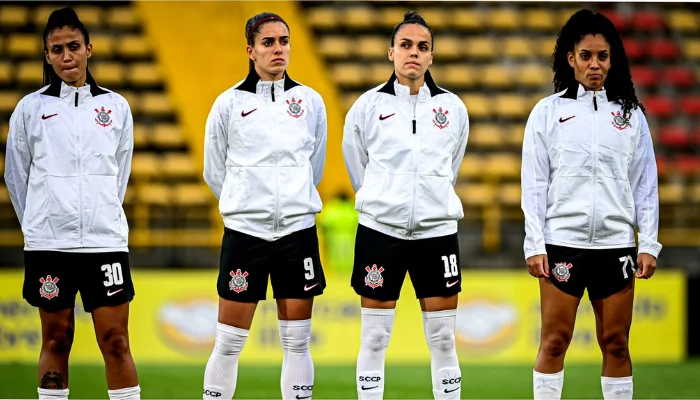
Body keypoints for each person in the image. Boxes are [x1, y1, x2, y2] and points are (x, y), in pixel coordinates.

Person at [521, 9, 661, 400]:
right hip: (562, 242)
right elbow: (533, 183)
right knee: (554, 341)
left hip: (616, 244)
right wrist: (535, 244)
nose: (594, 64)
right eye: (586, 55)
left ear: (612, 59)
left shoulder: (630, 116)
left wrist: (648, 243)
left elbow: (645, 184)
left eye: (602, 55)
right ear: (571, 58)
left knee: (616, 343)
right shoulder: (548, 113)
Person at [4, 7, 140, 400]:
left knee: (115, 340)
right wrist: (38, 224)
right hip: (50, 244)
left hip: (105, 243)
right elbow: (16, 178)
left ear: (89, 49)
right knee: (57, 338)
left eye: (74, 47)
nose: (67, 57)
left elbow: (121, 173)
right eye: (57, 49)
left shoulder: (116, 107)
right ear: (47, 56)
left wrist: (103, 215)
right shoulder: (30, 109)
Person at [342, 11, 470, 400]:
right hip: (381, 231)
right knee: (376, 336)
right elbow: (356, 166)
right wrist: (386, 202)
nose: (414, 53)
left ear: (432, 56)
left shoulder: (454, 109)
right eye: (406, 45)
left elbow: (452, 168)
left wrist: (429, 201)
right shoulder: (366, 107)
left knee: (444, 338)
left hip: (437, 233)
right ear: (391, 52)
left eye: (423, 47)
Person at [202, 12, 327, 400]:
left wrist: (292, 202)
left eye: (284, 41)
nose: (278, 49)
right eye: (269, 42)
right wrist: (246, 204)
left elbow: (314, 167)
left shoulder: (310, 102)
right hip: (246, 235)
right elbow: (213, 170)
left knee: (297, 343)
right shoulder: (228, 103)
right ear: (250, 50)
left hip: (297, 234)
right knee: (228, 342)